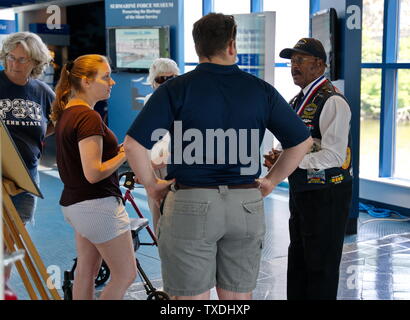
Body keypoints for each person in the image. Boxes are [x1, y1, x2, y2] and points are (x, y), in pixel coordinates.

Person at [124, 13, 312, 300]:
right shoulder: (260, 90)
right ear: (232, 45)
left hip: (191, 202)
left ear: (198, 48)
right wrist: (271, 181)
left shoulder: (177, 89)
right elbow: (301, 142)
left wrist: (152, 185)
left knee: (189, 298)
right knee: (237, 298)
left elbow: (134, 145)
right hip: (246, 203)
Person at [265, 38, 353, 300]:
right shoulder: (298, 100)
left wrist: (291, 161)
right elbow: (299, 143)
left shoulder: (332, 101)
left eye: (300, 60)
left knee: (321, 264)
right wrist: (280, 156)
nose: (294, 66)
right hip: (303, 190)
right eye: (292, 61)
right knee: (300, 258)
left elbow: (334, 155)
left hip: (327, 193)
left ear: (319, 65)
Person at [51, 54, 137, 300]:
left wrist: (117, 151)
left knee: (87, 271)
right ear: (86, 82)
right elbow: (93, 173)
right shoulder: (88, 117)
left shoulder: (69, 113)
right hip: (97, 205)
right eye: (106, 76)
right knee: (125, 274)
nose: (112, 82)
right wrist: (125, 154)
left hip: (76, 205)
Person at [0, 32, 55, 289]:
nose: (14, 64)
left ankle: (4, 287)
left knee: (10, 241)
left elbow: (52, 125)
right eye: (11, 57)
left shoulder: (43, 92)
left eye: (22, 59)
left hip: (25, 178)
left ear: (35, 61)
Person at [145, 57, 180, 235]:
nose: (166, 84)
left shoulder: (188, 100)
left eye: (171, 79)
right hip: (156, 166)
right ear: (153, 82)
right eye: (161, 79)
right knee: (158, 215)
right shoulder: (150, 100)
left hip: (179, 165)